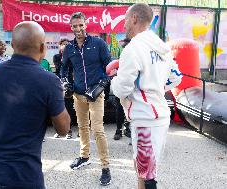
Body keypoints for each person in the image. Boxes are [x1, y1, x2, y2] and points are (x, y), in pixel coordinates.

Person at [0, 21, 70, 189]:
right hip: (21, 175)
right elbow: (63, 129)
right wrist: (58, 97)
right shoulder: (49, 81)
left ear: (12, 45)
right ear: (43, 48)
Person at [111, 3, 182, 189]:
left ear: (134, 18)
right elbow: (176, 78)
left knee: (148, 175)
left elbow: (122, 88)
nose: (124, 25)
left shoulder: (133, 49)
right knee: (144, 168)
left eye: (126, 20)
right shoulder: (162, 47)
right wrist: (156, 85)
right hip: (158, 115)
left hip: (145, 118)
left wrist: (113, 80)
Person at [61, 12, 112, 186]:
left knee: (97, 129)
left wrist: (103, 84)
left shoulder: (98, 43)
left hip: (96, 95)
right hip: (78, 94)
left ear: (86, 24)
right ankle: (84, 157)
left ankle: (105, 167)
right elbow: (64, 69)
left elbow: (109, 67)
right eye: (74, 26)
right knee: (82, 127)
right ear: (71, 27)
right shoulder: (69, 48)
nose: (78, 29)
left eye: (81, 25)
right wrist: (66, 81)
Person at [53, 38, 75, 139]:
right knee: (58, 108)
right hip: (58, 84)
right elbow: (59, 68)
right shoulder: (57, 57)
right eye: (63, 44)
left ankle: (69, 130)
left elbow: (72, 69)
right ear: (60, 46)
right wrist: (63, 57)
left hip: (69, 84)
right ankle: (58, 130)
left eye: (67, 44)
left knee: (69, 107)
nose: (65, 46)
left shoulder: (72, 57)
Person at [113, 38, 131, 141]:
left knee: (130, 108)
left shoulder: (136, 57)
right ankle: (118, 129)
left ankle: (127, 127)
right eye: (124, 47)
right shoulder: (121, 58)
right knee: (119, 109)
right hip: (121, 86)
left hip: (132, 87)